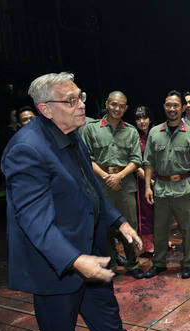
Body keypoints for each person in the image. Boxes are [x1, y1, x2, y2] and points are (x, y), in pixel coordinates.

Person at [1, 72, 142, 331]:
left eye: (81, 97)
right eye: (71, 100)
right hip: (57, 270)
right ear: (46, 109)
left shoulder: (73, 134)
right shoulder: (27, 149)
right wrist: (76, 260)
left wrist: (118, 220)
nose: (82, 105)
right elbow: (34, 221)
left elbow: (89, 190)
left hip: (91, 260)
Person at [143, 90, 190, 279]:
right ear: (164, 107)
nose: (172, 109)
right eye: (169, 105)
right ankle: (159, 263)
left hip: (184, 188)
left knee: (187, 229)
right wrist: (147, 186)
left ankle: (187, 263)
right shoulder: (155, 132)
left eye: (176, 105)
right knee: (160, 229)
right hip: (161, 188)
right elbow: (148, 162)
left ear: (183, 108)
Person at [81, 91, 144, 279]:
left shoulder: (131, 131)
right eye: (114, 104)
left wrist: (119, 176)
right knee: (105, 227)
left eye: (122, 106)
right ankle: (112, 264)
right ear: (107, 104)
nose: (117, 109)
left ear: (125, 108)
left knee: (130, 225)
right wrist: (107, 177)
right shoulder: (91, 129)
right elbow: (86, 158)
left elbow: (136, 160)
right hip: (100, 184)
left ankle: (133, 264)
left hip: (125, 185)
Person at [134, 106, 156, 256]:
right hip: (142, 179)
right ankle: (148, 244)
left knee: (161, 212)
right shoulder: (134, 138)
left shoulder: (157, 134)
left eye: (145, 117)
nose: (142, 121)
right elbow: (134, 163)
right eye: (138, 118)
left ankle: (161, 240)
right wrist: (150, 182)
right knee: (146, 212)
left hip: (161, 178)